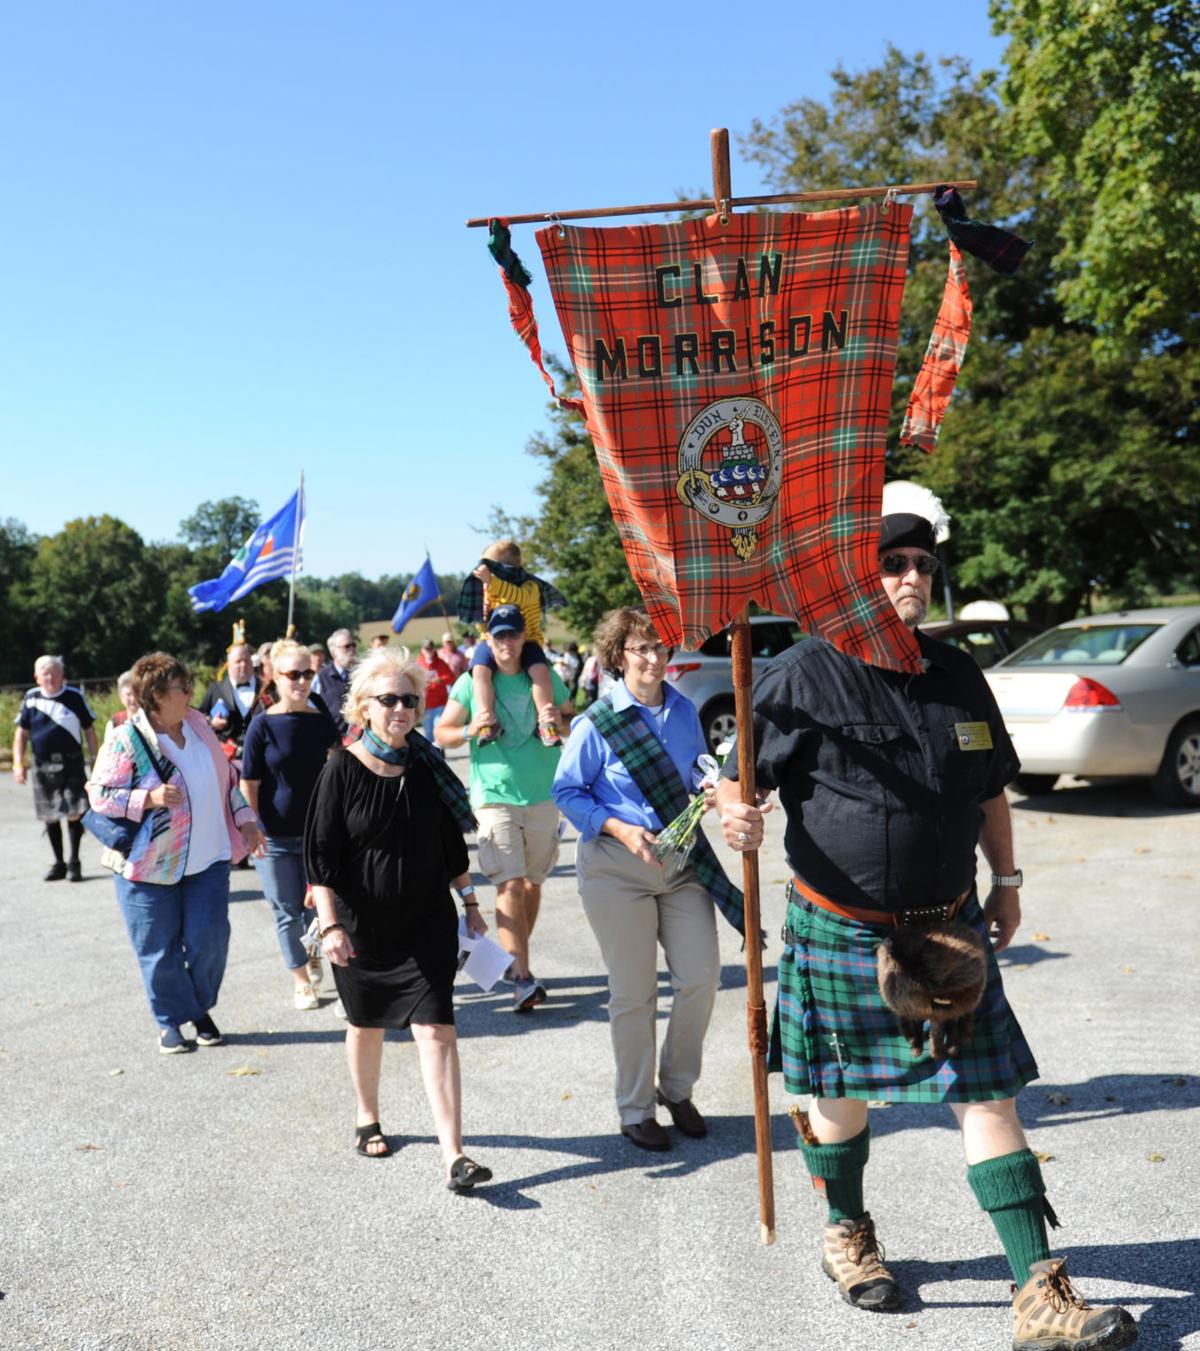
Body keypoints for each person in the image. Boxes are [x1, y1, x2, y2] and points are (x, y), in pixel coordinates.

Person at [715, 481, 1137, 1350]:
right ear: (857, 572)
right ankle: (848, 1231)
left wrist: (1008, 880)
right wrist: (736, 812)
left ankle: (1037, 1291)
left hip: (947, 927)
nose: (911, 576)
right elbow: (737, 775)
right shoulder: (802, 671)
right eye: (893, 561)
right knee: (838, 1095)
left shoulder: (954, 673)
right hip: (841, 928)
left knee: (987, 1094)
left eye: (922, 563)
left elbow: (989, 786)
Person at [552, 608, 745, 1151]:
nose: (655, 657)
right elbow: (567, 791)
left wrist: (715, 788)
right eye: (642, 648)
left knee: (702, 977)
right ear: (618, 657)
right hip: (617, 868)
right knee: (634, 994)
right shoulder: (596, 721)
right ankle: (635, 1109)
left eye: (661, 646)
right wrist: (616, 825)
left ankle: (676, 1088)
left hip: (679, 863)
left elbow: (695, 769)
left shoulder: (684, 710)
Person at [304, 647, 492, 1189]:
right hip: (361, 926)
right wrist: (331, 924)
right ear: (364, 708)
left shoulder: (427, 765)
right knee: (365, 1025)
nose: (402, 710)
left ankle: (454, 1155)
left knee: (435, 1029)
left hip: (426, 922)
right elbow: (318, 857)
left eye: (410, 700)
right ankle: (367, 1115)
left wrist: (471, 906)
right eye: (389, 701)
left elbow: (450, 846)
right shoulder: (340, 768)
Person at [86, 652, 266, 1054]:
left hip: (209, 859)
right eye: (180, 688)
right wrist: (146, 798)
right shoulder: (125, 738)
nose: (190, 693)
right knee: (159, 949)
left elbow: (228, 781)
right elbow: (99, 795)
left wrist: (247, 822)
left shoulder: (199, 726)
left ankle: (196, 1006)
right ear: (153, 697)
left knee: (211, 941)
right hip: (147, 867)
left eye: (188, 685)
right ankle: (171, 1021)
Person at [436, 605, 573, 1011]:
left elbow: (573, 722)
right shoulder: (471, 682)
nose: (506, 643)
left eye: (513, 635)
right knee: (508, 884)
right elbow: (442, 732)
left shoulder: (543, 677)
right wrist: (468, 729)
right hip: (494, 796)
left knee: (532, 883)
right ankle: (524, 978)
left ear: (522, 637)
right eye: (499, 637)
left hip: (543, 794)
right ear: (488, 640)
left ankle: (514, 965)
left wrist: (557, 721)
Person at [240, 639, 340, 1010]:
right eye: (293, 674)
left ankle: (314, 955)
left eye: (308, 673)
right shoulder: (261, 725)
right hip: (274, 837)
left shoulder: (321, 720)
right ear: (275, 676)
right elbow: (247, 782)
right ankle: (301, 980)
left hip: (319, 834)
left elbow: (337, 768)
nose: (301, 681)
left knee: (317, 910)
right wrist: (251, 827)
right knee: (286, 911)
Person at [456, 539, 567, 746]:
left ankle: (546, 722)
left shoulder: (530, 586)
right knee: (479, 671)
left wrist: (493, 582)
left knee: (540, 672)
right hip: (491, 641)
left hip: (529, 640)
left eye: (490, 568)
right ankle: (487, 720)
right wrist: (484, 626)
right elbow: (486, 619)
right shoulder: (489, 588)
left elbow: (521, 598)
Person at [12, 655, 98, 882]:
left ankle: (74, 862)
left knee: (74, 812)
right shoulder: (30, 698)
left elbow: (89, 729)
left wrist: (95, 758)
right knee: (50, 816)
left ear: (63, 675)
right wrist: (18, 763)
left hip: (72, 762)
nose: (50, 677)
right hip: (42, 764)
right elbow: (21, 733)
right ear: (37, 677)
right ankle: (59, 863)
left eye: (55, 672)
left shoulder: (74, 697)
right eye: (45, 673)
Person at [199, 641, 260, 754]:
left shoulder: (265, 689)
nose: (243, 665)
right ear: (228, 665)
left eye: (246, 660)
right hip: (226, 756)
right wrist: (212, 722)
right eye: (238, 661)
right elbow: (199, 716)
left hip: (260, 755)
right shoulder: (215, 688)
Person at [314, 628, 358, 738]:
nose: (352, 649)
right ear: (334, 652)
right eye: (347, 646)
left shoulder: (361, 675)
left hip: (359, 742)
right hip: (332, 743)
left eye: (353, 645)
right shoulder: (320, 678)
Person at [417, 639, 453, 742]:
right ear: (422, 650)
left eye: (430, 649)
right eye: (426, 649)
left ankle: (439, 751)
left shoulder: (440, 663)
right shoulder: (418, 663)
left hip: (440, 702)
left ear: (434, 650)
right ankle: (430, 754)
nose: (428, 651)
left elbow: (450, 677)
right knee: (428, 732)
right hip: (426, 704)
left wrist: (440, 680)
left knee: (438, 727)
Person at [104, 671, 139, 743]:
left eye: (136, 693)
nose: (133, 698)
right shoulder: (114, 723)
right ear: (121, 697)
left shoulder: (154, 720)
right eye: (128, 694)